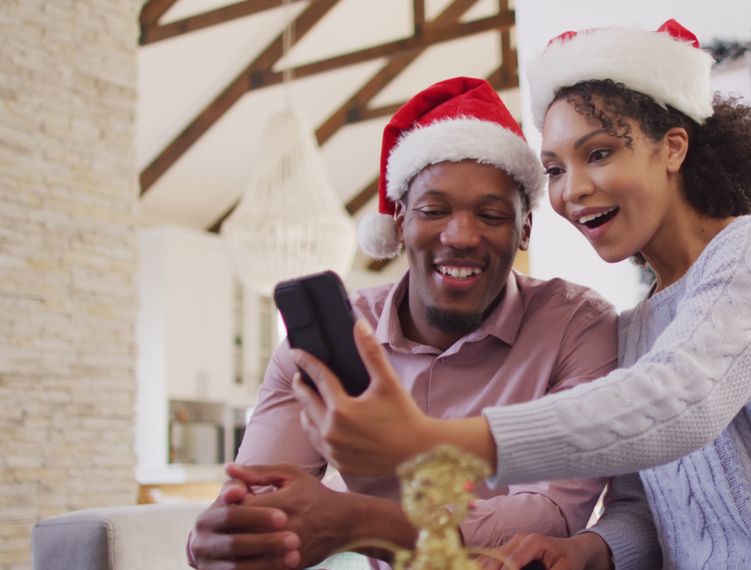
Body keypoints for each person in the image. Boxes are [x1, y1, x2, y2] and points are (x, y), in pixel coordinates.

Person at [288, 20, 751, 569]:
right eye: (554, 168)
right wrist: (589, 548)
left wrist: (430, 440)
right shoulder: (634, 328)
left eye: (598, 153)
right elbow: (645, 503)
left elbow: (680, 402)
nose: (572, 190)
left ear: (673, 148)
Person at [187, 77, 616, 569]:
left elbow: (550, 517)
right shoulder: (324, 345)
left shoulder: (579, 329)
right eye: (433, 210)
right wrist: (222, 539)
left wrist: (356, 520)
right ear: (399, 223)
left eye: (492, 215)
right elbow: (258, 506)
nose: (460, 236)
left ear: (524, 228)